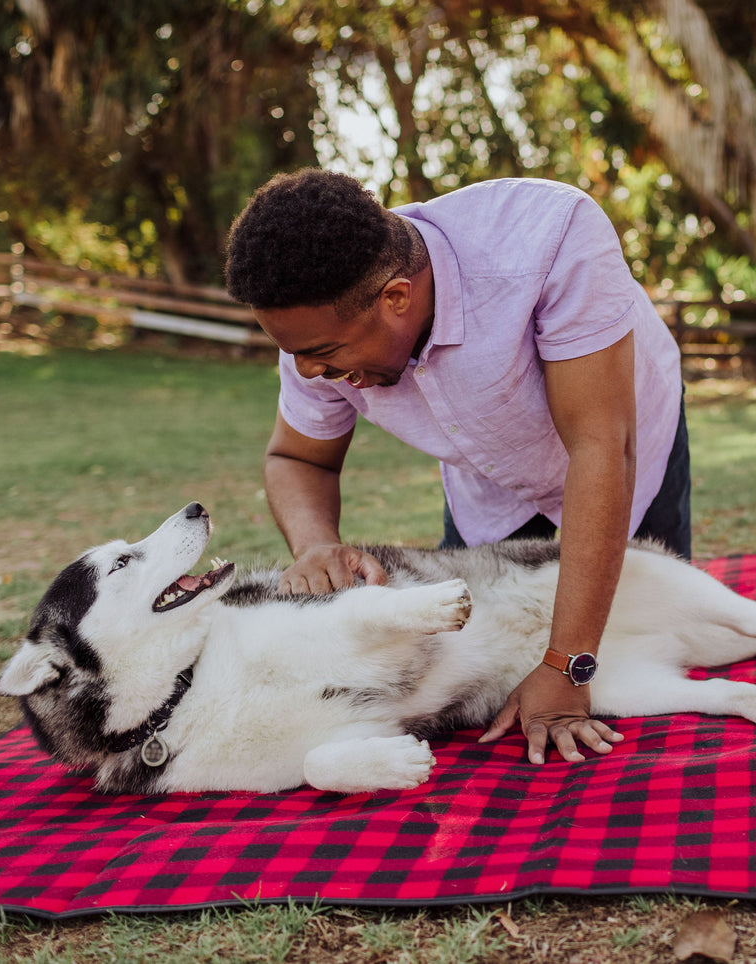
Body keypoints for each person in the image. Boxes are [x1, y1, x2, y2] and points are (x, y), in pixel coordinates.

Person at [224, 169, 690, 766]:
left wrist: (568, 662)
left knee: (650, 643)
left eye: (322, 356)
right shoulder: (320, 333)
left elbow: (601, 448)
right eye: (296, 356)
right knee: (475, 671)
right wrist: (316, 545)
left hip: (622, 452)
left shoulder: (549, 237)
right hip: (489, 487)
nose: (309, 373)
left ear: (396, 298)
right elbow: (295, 456)